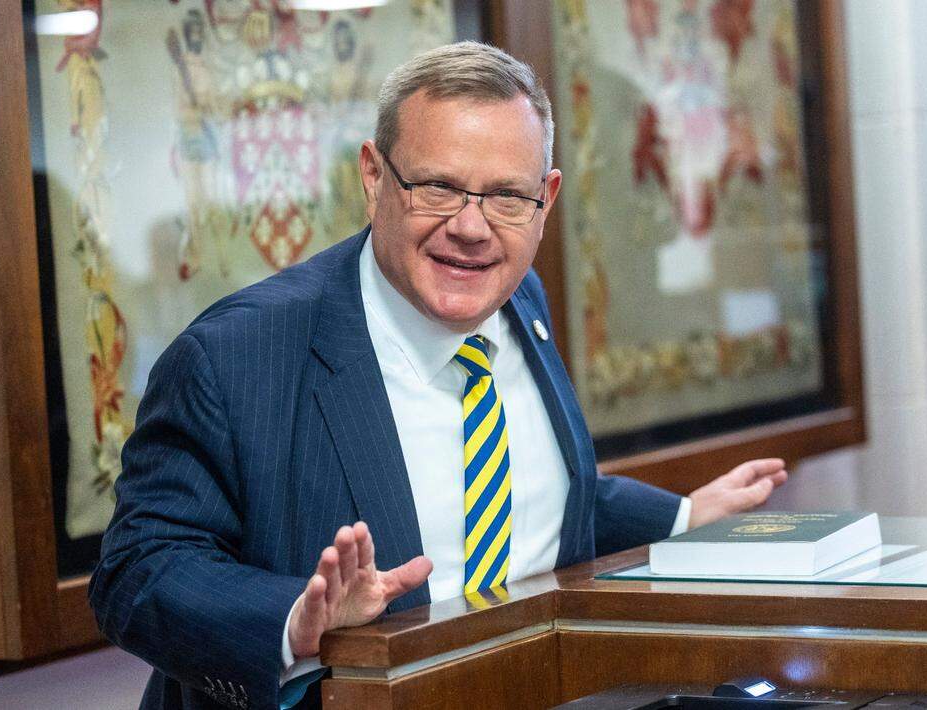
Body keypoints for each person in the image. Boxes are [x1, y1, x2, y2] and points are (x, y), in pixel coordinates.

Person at [89, 42, 787, 710]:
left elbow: (539, 490)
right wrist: (293, 622)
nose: (472, 228)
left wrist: (683, 519)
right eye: (439, 188)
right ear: (373, 177)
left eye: (507, 197)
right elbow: (138, 568)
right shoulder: (234, 355)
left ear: (545, 199)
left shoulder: (520, 301)